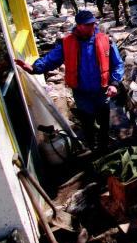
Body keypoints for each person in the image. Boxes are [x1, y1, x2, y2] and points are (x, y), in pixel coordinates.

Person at [15, 10, 124, 151]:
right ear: (78, 26)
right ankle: (92, 147)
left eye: (93, 24)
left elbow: (118, 64)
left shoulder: (105, 40)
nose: (91, 27)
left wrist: (114, 83)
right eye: (87, 25)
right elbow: (50, 60)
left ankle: (104, 147)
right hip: (82, 93)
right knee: (87, 123)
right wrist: (33, 68)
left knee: (104, 122)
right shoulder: (67, 43)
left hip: (102, 91)